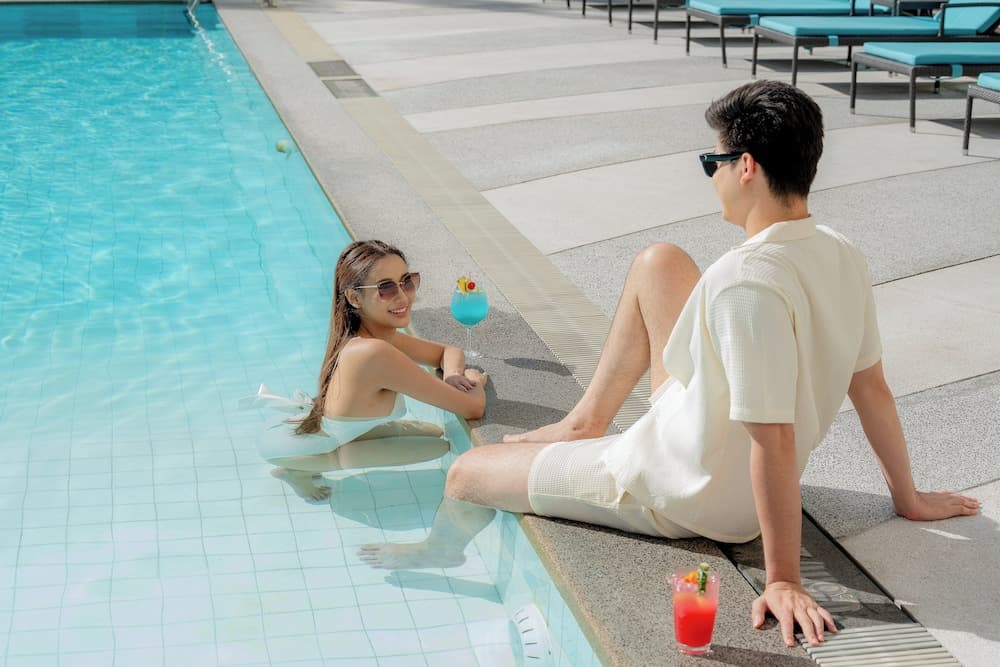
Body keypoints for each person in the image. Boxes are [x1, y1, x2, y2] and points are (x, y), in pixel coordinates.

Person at [358, 81, 980, 648]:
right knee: (659, 261)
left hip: (689, 488)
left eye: (713, 163)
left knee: (466, 472)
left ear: (746, 167)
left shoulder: (744, 281)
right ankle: (583, 422)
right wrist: (907, 497)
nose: (711, 177)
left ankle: (444, 549)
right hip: (701, 424)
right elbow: (871, 388)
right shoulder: (839, 251)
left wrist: (784, 579)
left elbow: (774, 438)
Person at [248, 240, 487, 501]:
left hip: (310, 431)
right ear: (354, 298)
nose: (403, 296)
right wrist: (473, 380)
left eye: (406, 281)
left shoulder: (377, 335)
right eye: (386, 288)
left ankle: (306, 465)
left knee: (435, 433)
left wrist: (453, 375)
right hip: (293, 449)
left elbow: (448, 352)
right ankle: (298, 470)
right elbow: (472, 407)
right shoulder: (373, 353)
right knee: (440, 447)